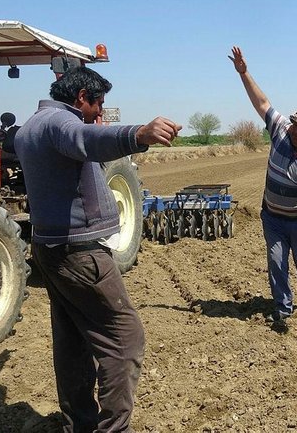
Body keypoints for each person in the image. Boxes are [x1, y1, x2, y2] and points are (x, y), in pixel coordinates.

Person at [14, 66, 181, 432]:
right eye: (97, 105)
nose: (99, 114)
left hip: (49, 248)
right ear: (80, 99)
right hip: (79, 252)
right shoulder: (60, 124)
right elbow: (87, 139)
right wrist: (139, 134)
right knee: (125, 337)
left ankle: (82, 424)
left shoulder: (29, 127)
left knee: (72, 341)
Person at [229, 46, 297, 325]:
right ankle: (283, 307)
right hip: (273, 218)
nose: (296, 129)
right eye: (295, 124)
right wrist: (244, 73)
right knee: (276, 263)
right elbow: (261, 103)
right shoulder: (281, 130)